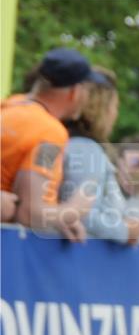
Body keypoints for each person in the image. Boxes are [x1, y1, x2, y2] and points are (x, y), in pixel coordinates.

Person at [1, 47, 100, 239]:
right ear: (75, 92)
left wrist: (57, 221)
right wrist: (74, 209)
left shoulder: (8, 106)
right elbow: (29, 213)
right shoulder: (50, 135)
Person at [58, 67, 139, 244]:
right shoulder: (85, 150)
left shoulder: (74, 144)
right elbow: (81, 216)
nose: (115, 114)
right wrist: (126, 231)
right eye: (115, 106)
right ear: (102, 108)